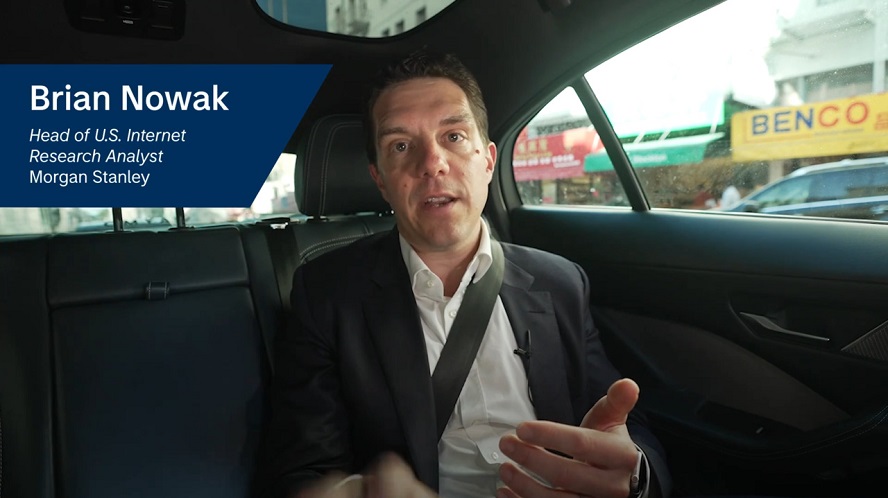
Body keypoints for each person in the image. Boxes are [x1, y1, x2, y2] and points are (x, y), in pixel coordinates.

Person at [257, 50, 670, 498]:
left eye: (453, 136)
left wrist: (634, 477)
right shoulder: (326, 293)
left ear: (488, 161)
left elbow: (622, 426)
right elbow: (304, 468)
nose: (432, 163)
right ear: (380, 180)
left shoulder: (561, 282)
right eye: (401, 146)